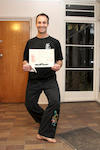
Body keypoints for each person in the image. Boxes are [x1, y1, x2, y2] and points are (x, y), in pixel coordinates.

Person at [23, 13, 63, 143]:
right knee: (29, 104)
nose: (41, 25)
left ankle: (46, 133)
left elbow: (60, 60)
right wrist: (25, 65)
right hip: (34, 79)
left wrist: (58, 65)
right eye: (39, 22)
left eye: (44, 22)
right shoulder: (30, 42)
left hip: (49, 79)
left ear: (47, 24)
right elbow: (25, 60)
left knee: (55, 102)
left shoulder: (55, 42)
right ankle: (45, 121)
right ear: (36, 24)